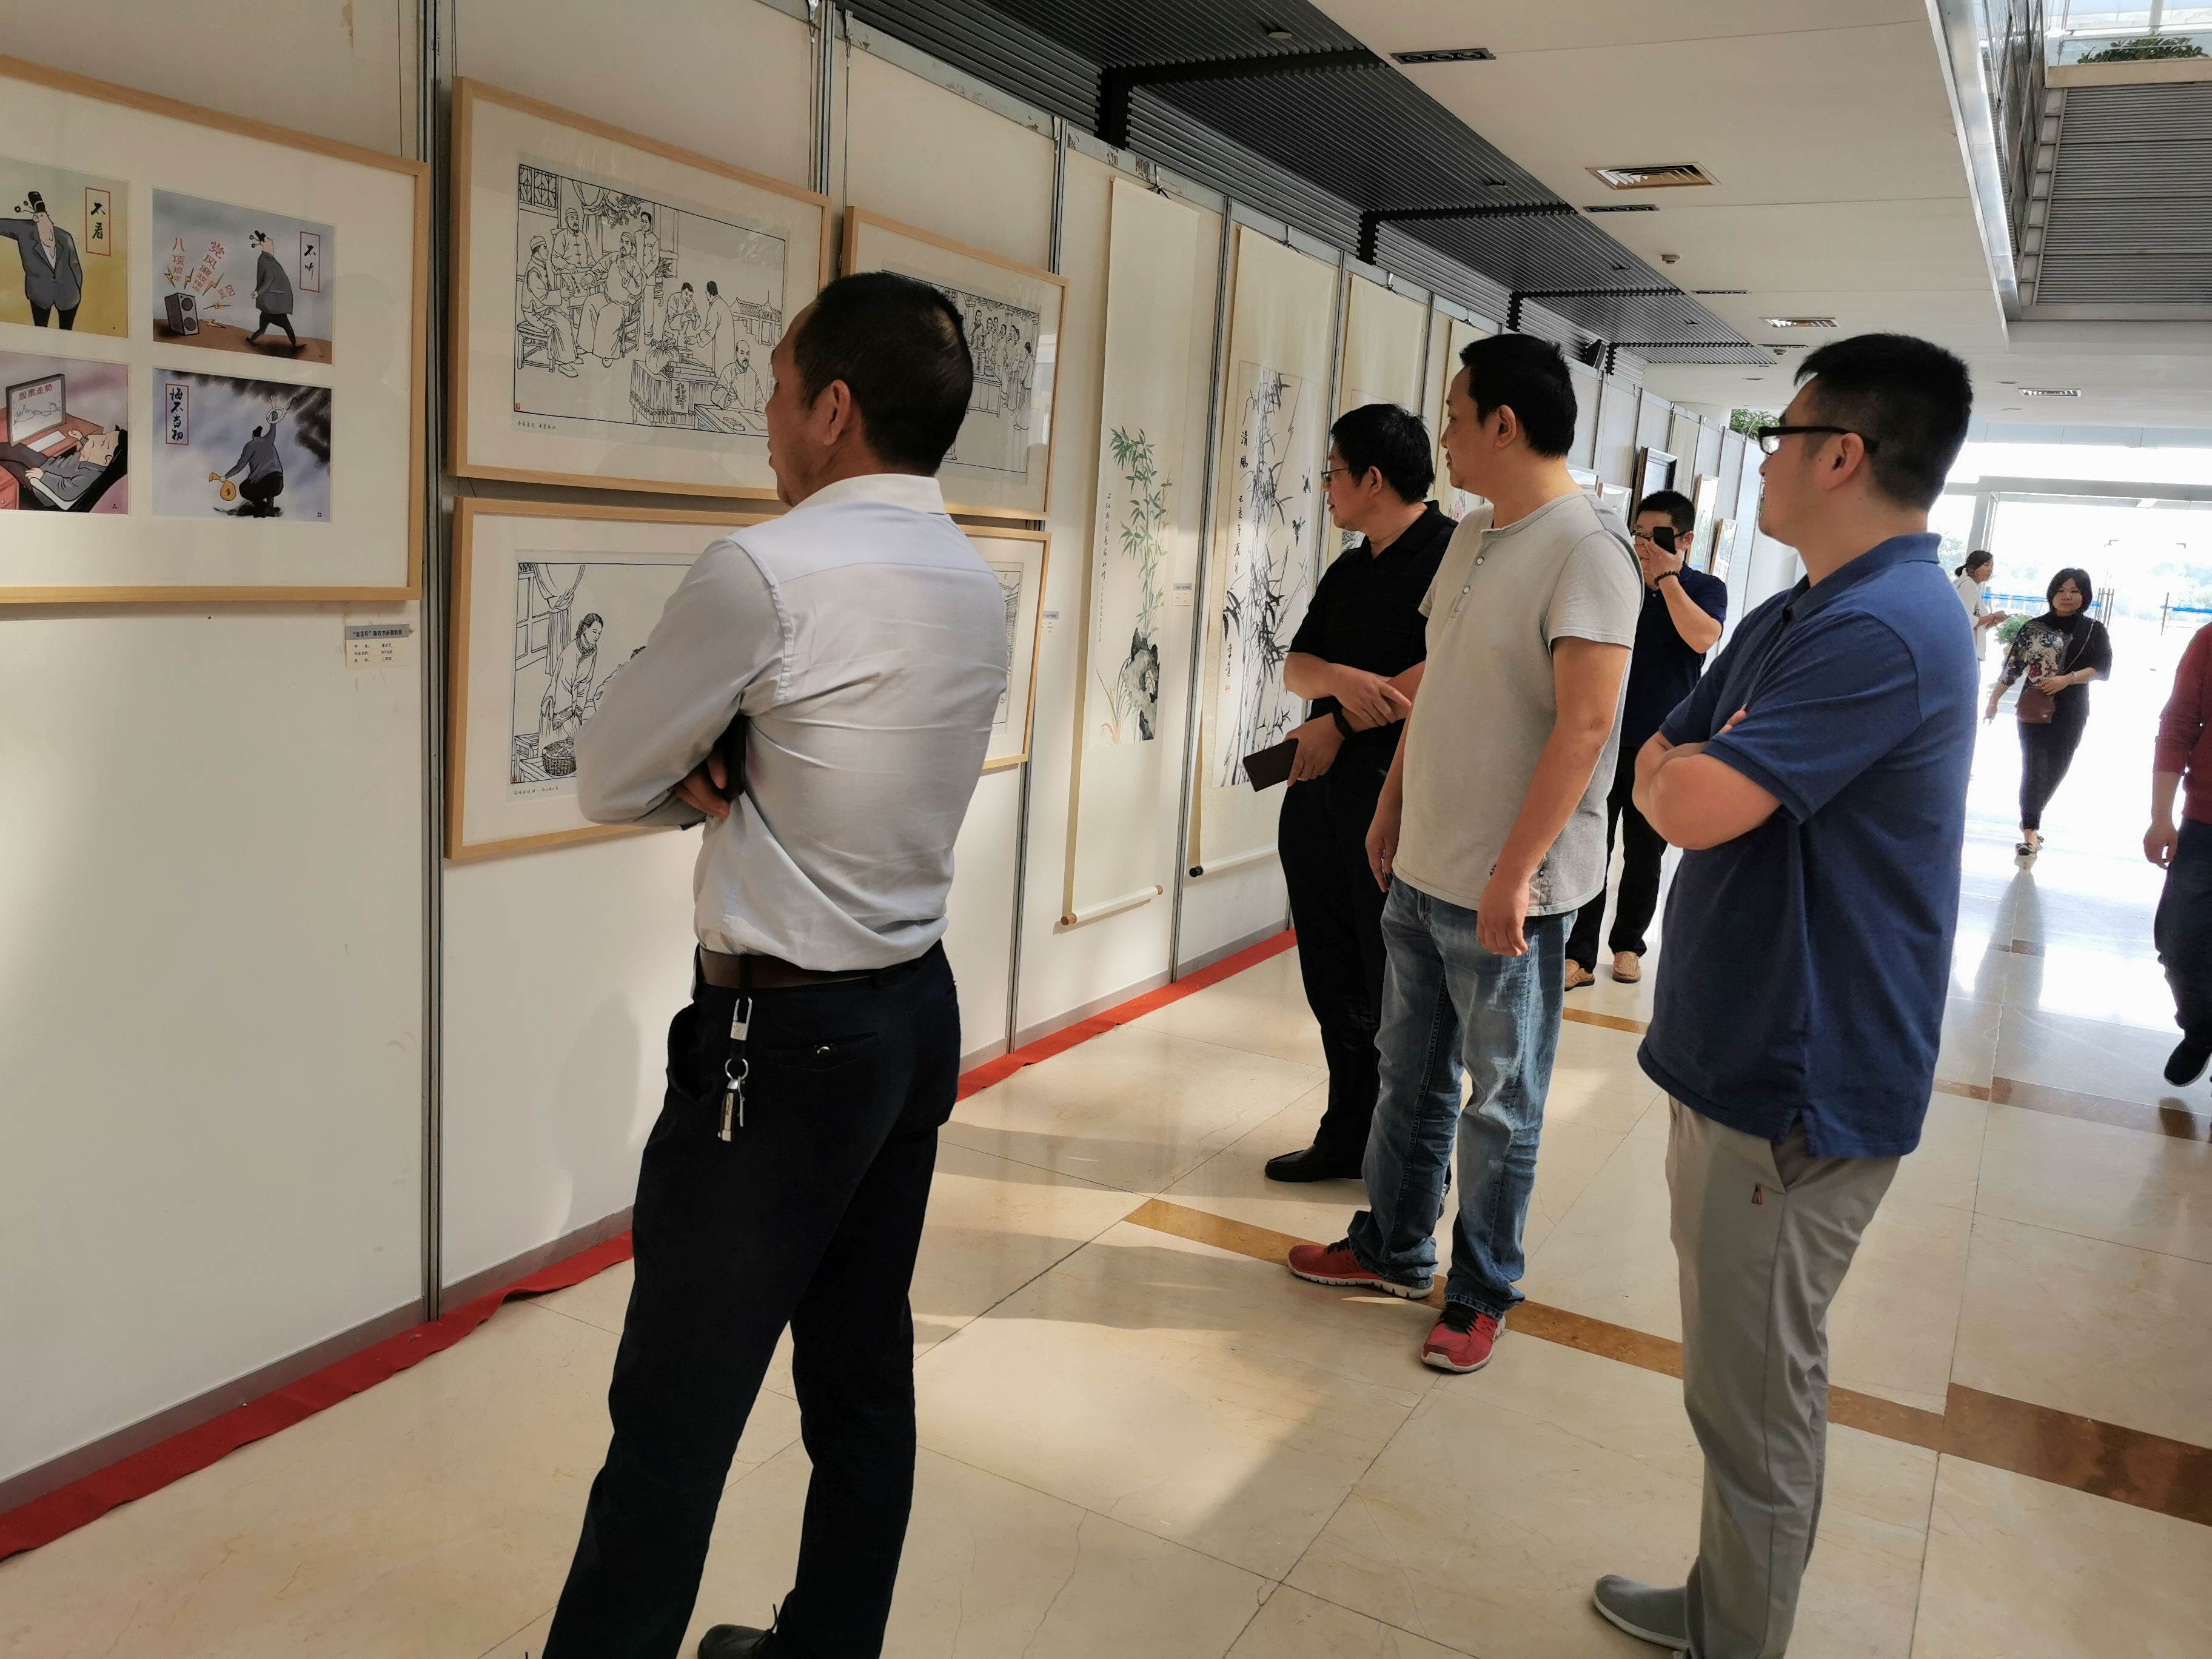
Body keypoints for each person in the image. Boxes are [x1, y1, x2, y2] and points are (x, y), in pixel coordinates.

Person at [540, 271, 1006, 1659]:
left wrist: (704, 765)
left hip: (779, 1044)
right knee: (861, 1372)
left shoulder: (765, 569)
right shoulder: (970, 579)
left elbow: (609, 774)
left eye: (778, 385)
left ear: (834, 409)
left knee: (676, 1412)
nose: (765, 412)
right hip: (911, 1014)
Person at [1591, 333, 1977, 1659]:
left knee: (1754, 1404)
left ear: (1842, 454)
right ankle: (1719, 1604)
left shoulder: (1880, 627)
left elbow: (1686, 796)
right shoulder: (1798, 609)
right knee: (1738, 1382)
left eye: (1781, 435)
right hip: (1739, 1049)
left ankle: (1735, 1636)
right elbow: (1671, 751)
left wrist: (1677, 771)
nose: (1762, 460)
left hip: (1797, 1078)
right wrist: (1678, 767)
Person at [1284, 333, 1641, 1375]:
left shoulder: (1587, 550)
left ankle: (1481, 1291)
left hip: (1507, 889)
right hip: (1423, 865)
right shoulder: (1476, 535)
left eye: (1454, 414)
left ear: (1504, 424)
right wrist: (1392, 806)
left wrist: (1515, 873)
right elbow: (1435, 683)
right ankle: (1393, 1247)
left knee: (1500, 1102)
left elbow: (1585, 728)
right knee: (1409, 1078)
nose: (1442, 434)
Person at [1265, 403, 1454, 1183]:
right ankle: (1347, 1131)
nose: (1326, 488)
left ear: (1373, 479)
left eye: (1333, 472)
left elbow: (1445, 671)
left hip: (1396, 798)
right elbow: (1296, 667)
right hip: (1318, 793)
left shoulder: (1453, 555)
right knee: (1332, 972)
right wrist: (1342, 684)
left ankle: (1406, 1151)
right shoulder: (1350, 565)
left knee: (1396, 979)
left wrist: (1339, 722)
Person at [1565, 488, 1726, 990]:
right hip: (1603, 735)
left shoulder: (1705, 587)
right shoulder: (1619, 579)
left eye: (1657, 536)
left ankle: (1628, 946)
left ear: (1685, 540)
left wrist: (1667, 579)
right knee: (1590, 845)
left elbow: (1702, 637)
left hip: (1662, 744)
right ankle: (1578, 955)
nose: (1644, 544)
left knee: (1644, 853)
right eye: (1637, 533)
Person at [1983, 568, 2111, 857]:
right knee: (2034, 767)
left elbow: (2102, 669)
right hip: (2034, 707)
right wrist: (1994, 700)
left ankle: (2032, 814)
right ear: (2052, 593)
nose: (2067, 596)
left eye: (2075, 591)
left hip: (2072, 708)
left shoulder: (2094, 630)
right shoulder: (2034, 628)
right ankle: (2030, 831)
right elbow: (2013, 667)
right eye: (2061, 590)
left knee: (2056, 768)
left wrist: (2068, 679)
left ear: (2085, 596)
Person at [2147, 624, 2212, 1085]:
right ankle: (2201, 1028)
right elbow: (2178, 726)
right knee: (2178, 945)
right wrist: (2161, 815)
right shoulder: (2209, 641)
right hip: (2205, 823)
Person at [0, 190, 84, 328]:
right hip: (40, 294)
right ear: (35, 219)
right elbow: (3, 226)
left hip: (68, 294)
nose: (46, 221)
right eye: (40, 216)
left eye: (46, 216)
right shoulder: (25, 232)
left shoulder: (64, 237)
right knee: (40, 330)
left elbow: (75, 265)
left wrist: (76, 288)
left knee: (66, 332)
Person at [244, 232, 299, 349]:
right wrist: (258, 292)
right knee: (286, 325)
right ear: (262, 243)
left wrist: (258, 292)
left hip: (269, 305)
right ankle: (294, 346)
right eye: (268, 239)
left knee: (263, 328)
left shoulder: (267, 259)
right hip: (273, 304)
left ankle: (251, 339)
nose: (271, 240)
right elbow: (268, 280)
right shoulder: (267, 261)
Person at [1952, 549, 2008, 662]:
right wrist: (1993, 617)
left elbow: (1978, 626)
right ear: (1973, 568)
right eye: (1987, 565)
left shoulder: (1966, 584)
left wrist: (1993, 621)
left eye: (1992, 566)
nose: (1990, 570)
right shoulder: (1968, 585)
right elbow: (1968, 621)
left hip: (1966, 650)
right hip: (1967, 652)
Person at [223, 419, 285, 517]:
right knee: (267, 487)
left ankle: (264, 508)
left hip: (265, 482)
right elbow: (273, 426)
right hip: (278, 483)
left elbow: (240, 466)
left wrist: (225, 477)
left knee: (244, 488)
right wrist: (274, 412)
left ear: (253, 437)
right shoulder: (268, 440)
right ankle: (268, 506)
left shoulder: (250, 446)